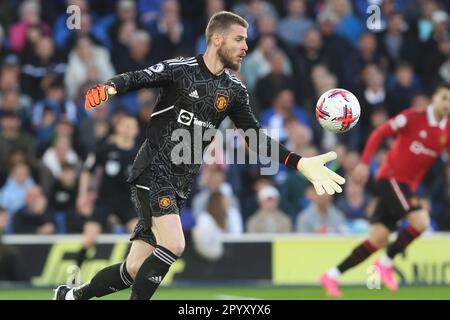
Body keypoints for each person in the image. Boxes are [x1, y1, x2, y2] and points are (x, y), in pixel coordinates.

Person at [55, 11, 345, 301]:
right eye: (239, 39)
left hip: (179, 183)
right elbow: (139, 77)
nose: (246, 46)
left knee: (134, 268)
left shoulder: (234, 90)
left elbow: (255, 138)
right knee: (174, 245)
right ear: (217, 39)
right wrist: (110, 86)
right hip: (154, 170)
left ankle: (72, 296)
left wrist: (300, 162)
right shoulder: (181, 69)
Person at [320, 83, 450, 297]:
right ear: (433, 98)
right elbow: (380, 132)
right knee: (421, 221)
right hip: (391, 178)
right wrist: (364, 163)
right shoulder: (413, 117)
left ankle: (332, 275)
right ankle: (385, 263)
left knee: (378, 239)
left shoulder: (446, 130)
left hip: (406, 187)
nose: (447, 104)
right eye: (444, 98)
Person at [75, 116, 140, 266]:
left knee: (141, 237)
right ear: (118, 128)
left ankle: (135, 273)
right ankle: (73, 276)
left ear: (136, 131)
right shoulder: (105, 149)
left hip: (127, 201)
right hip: (104, 200)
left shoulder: (139, 153)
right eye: (125, 125)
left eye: (131, 126)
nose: (128, 129)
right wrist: (82, 195)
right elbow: (86, 170)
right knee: (89, 239)